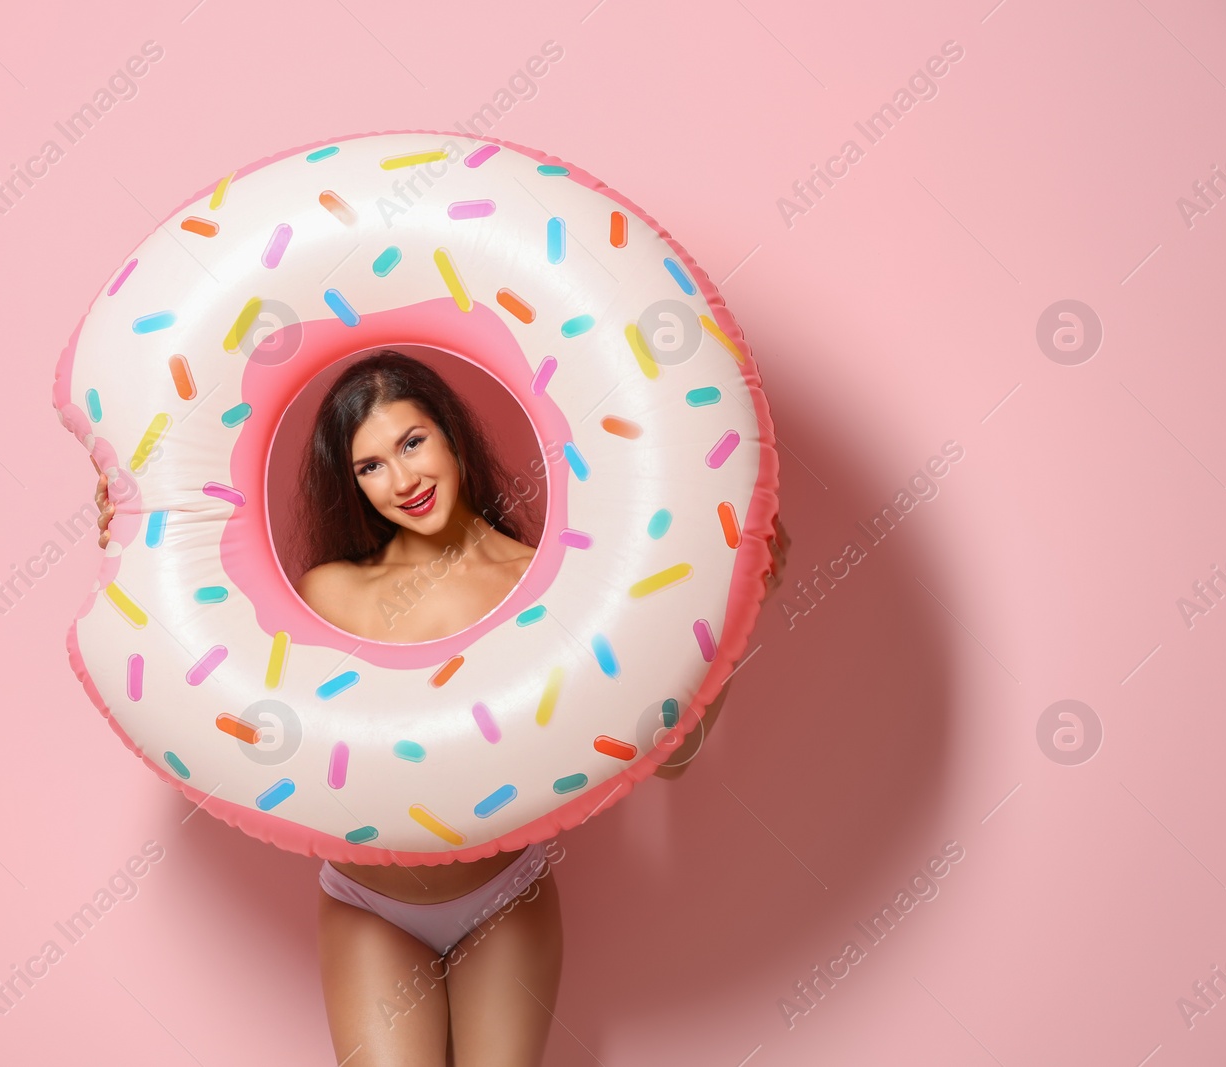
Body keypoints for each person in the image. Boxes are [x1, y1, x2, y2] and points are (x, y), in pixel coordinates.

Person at [93, 350, 790, 1065]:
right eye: (370, 466)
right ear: (353, 483)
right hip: (370, 903)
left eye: (412, 442)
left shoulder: (546, 584)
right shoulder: (330, 594)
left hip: (504, 897)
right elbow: (216, 683)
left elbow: (674, 755)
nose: (402, 481)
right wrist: (142, 530)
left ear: (449, 433)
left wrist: (737, 609)